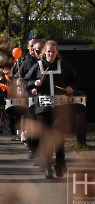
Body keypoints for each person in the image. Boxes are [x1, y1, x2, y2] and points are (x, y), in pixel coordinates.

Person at [24, 40, 80, 179]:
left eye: (53, 52)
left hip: (60, 106)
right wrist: (34, 85)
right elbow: (25, 82)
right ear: (44, 53)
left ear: (57, 53)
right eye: (48, 52)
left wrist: (70, 88)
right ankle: (47, 166)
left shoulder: (64, 66)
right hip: (42, 107)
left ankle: (60, 162)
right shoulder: (38, 66)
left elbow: (76, 79)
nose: (50, 54)